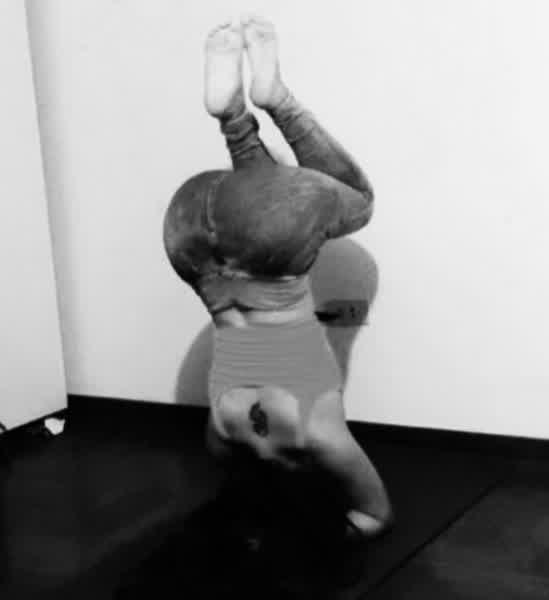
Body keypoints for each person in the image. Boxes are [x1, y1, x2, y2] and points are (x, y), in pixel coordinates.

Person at [164, 15, 393, 539]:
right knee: (284, 203)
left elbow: (370, 515)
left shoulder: (321, 435)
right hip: (192, 227)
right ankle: (239, 115)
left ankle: (261, 105)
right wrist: (262, 533)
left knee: (328, 202)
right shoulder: (222, 430)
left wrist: (339, 530)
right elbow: (249, 486)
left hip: (257, 249)